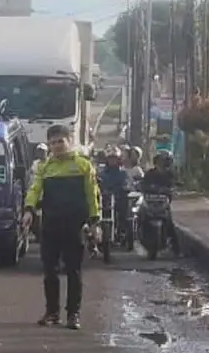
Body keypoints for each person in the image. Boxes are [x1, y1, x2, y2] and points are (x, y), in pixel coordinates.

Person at [21, 124, 99, 329]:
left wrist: (94, 222)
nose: (56, 146)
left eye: (60, 142)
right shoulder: (45, 167)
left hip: (74, 226)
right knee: (50, 271)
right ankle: (52, 312)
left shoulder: (83, 166)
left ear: (69, 141)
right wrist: (29, 210)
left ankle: (73, 314)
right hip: (50, 225)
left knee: (73, 271)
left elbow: (92, 195)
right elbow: (35, 190)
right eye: (52, 143)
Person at [97, 147, 132, 238]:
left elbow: (127, 184)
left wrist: (124, 188)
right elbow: (96, 184)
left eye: (114, 158)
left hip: (118, 199)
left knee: (125, 207)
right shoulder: (101, 173)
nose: (112, 161)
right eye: (110, 158)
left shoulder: (123, 173)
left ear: (118, 160)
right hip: (104, 199)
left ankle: (122, 230)